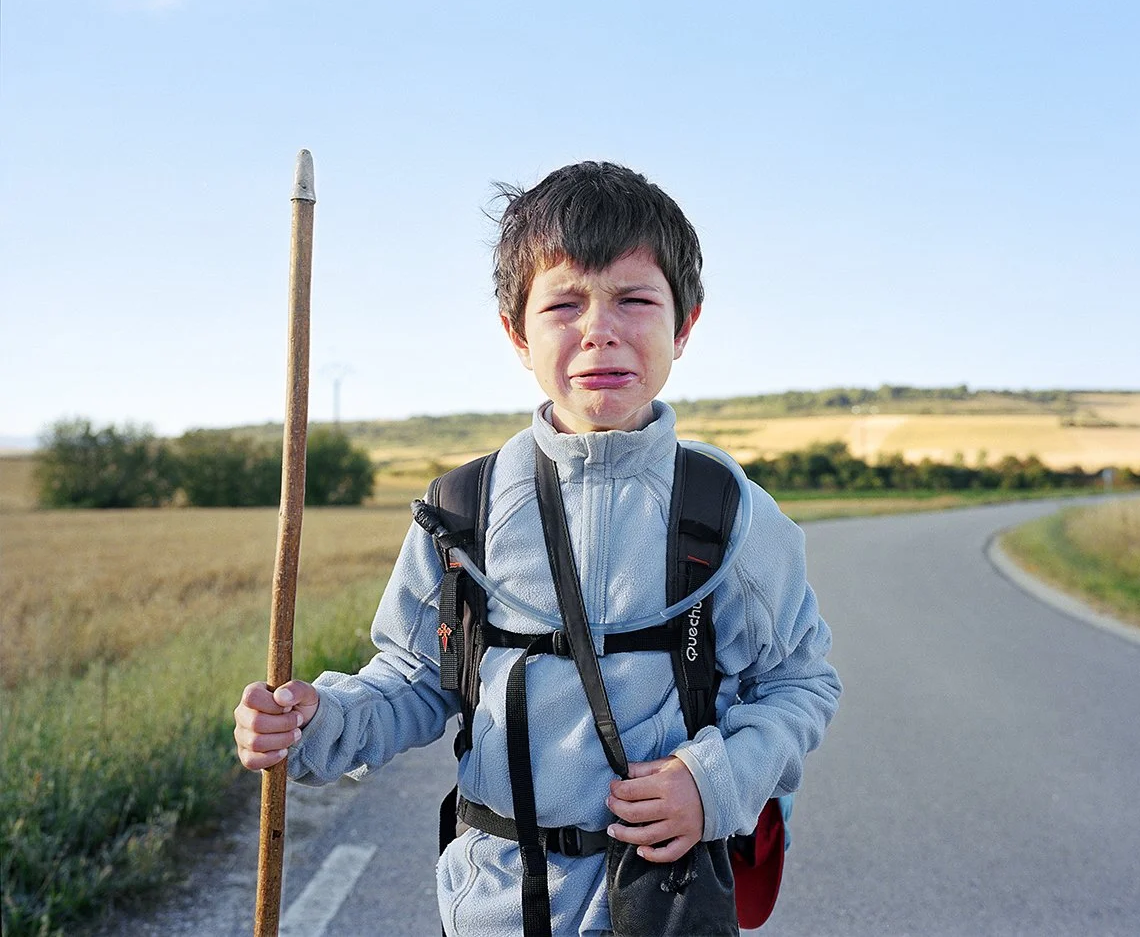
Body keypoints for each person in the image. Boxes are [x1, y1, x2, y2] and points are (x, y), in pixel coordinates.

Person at [234, 161, 842, 936]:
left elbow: (799, 686)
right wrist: (315, 720)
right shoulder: (463, 511)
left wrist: (713, 786)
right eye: (563, 304)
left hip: (665, 907)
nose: (600, 330)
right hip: (492, 907)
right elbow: (417, 680)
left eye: (635, 299)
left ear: (684, 323)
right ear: (517, 334)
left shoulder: (731, 517)